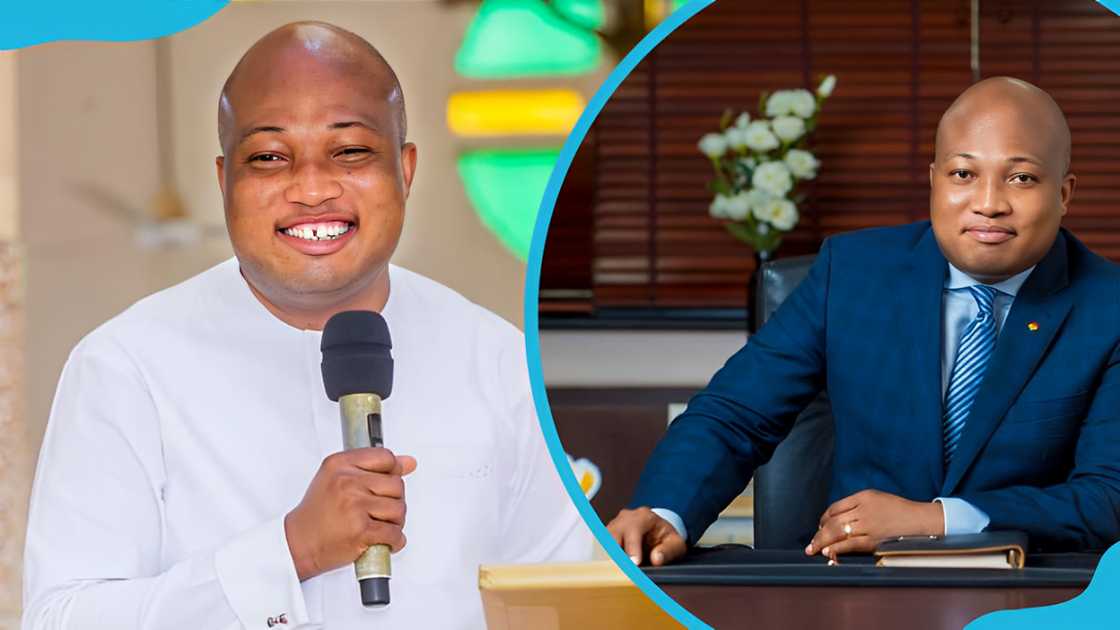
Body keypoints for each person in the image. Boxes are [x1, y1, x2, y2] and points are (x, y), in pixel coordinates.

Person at [22, 21, 590, 629]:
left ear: (406, 169)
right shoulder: (126, 367)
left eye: (349, 152)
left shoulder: (503, 362)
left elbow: (563, 601)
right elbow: (62, 617)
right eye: (269, 158)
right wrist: (290, 552)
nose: (313, 188)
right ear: (225, 182)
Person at [608, 76, 1120, 565]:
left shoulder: (1108, 307)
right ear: (934, 180)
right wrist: (665, 511)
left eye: (1022, 178)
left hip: (1035, 595)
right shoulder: (851, 273)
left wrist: (935, 521)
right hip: (858, 581)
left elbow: (1107, 497)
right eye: (963, 174)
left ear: (1064, 194)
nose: (988, 204)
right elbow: (735, 413)